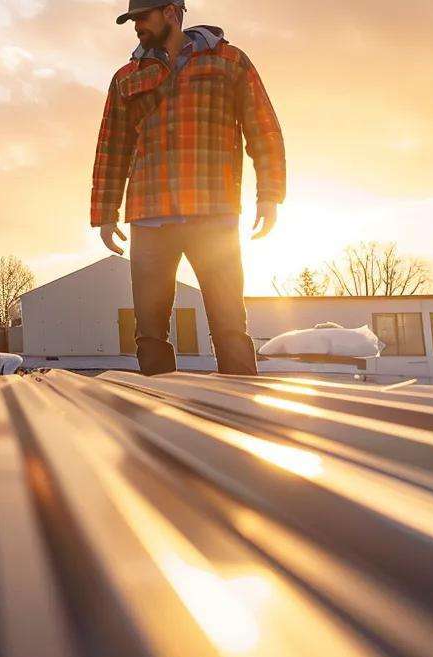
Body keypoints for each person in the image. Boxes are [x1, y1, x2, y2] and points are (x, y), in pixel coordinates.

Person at [91, 0, 285, 376]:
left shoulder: (228, 61)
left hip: (213, 215)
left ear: (169, 13)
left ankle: (242, 412)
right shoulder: (127, 76)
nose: (136, 27)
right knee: (149, 333)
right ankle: (161, 415)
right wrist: (104, 214)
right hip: (149, 219)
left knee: (229, 325)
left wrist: (270, 194)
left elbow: (263, 128)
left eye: (142, 17)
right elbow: (111, 147)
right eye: (132, 20)